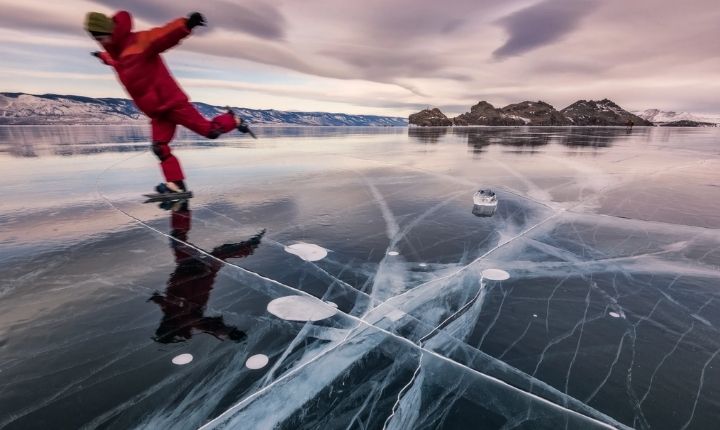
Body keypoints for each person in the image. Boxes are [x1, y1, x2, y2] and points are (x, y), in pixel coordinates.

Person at [84, 11, 254, 194]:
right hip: (157, 113)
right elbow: (112, 60)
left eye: (102, 38)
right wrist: (101, 56)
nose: (102, 42)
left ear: (111, 32)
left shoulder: (139, 42)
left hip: (173, 103)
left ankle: (233, 119)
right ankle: (176, 185)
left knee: (210, 132)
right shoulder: (116, 56)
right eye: (97, 39)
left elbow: (163, 36)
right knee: (159, 148)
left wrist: (186, 25)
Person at [149, 201, 265, 343]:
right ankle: (251, 245)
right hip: (204, 271)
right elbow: (209, 326)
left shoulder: (168, 311)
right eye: (165, 329)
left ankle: (182, 208)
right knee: (220, 252)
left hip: (187, 265)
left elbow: (165, 303)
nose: (163, 324)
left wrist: (156, 298)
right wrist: (231, 333)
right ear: (171, 331)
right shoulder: (188, 321)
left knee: (177, 241)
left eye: (162, 326)